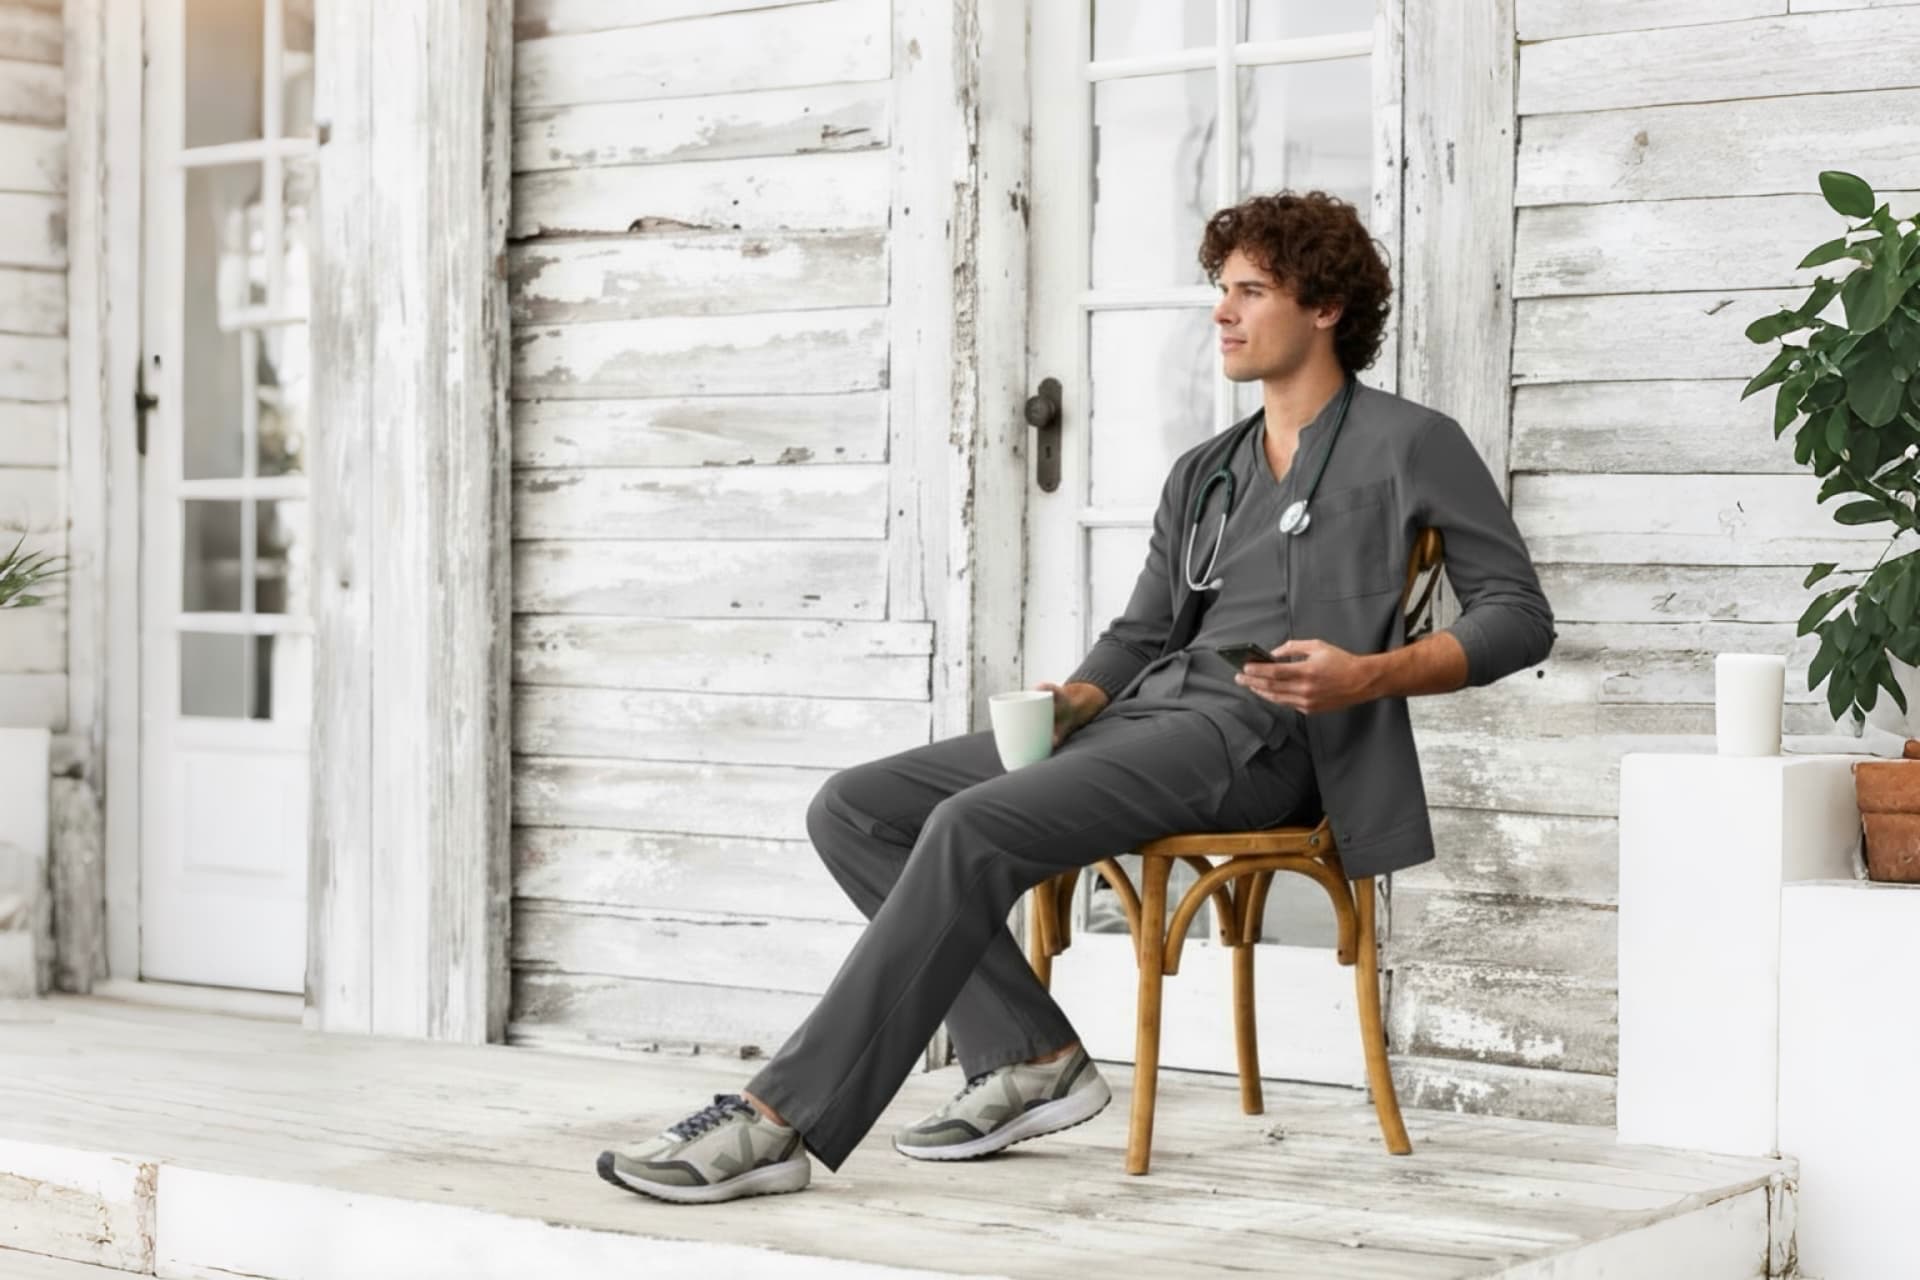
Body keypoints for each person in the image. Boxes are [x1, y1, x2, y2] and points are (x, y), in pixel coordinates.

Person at [595, 190, 1557, 1204]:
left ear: (1324, 307)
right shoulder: (1209, 471)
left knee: (973, 826)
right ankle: (1032, 1054)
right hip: (1153, 720)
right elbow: (1146, 629)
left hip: (1270, 742)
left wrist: (1371, 672)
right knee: (855, 806)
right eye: (1218, 290)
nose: (1222, 312)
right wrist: (1082, 697)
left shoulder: (1411, 441)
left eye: (1251, 291)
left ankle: (777, 1117)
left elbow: (1518, 614)